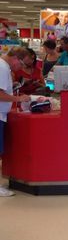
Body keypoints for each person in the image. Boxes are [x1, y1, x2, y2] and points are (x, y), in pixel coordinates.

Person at [0, 47, 31, 196]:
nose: (21, 68)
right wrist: (17, 99)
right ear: (15, 59)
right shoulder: (2, 67)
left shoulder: (3, 67)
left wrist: (12, 90)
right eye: (22, 64)